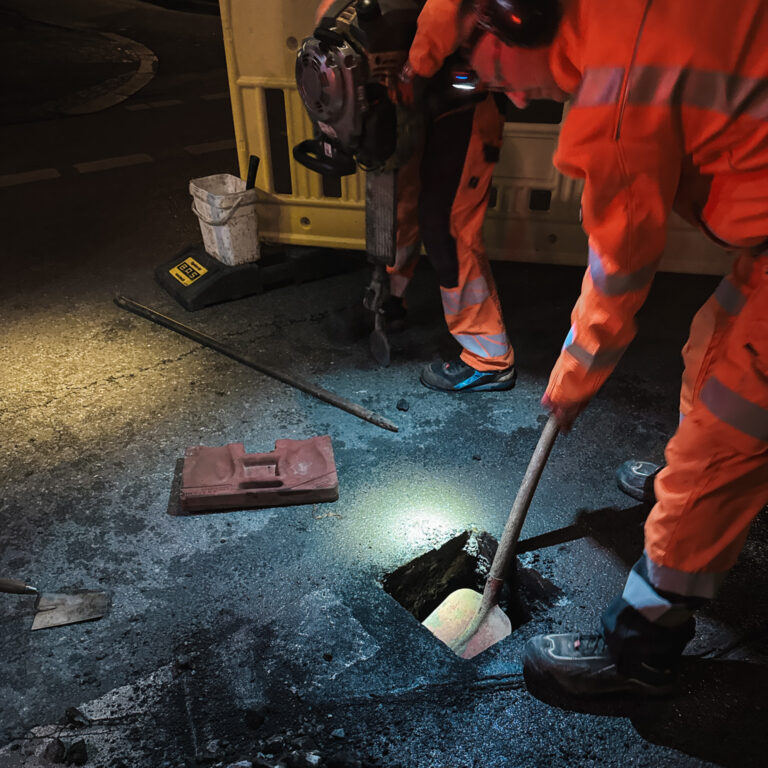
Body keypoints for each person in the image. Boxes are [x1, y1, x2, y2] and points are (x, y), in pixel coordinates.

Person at [462, 0, 768, 695]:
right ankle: (681, 500)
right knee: (711, 344)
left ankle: (642, 651)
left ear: (518, 20)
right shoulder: (614, 16)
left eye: (501, 74)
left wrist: (573, 376)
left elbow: (621, 265)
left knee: (726, 433)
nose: (511, 97)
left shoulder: (615, 85)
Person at [317, 0, 517, 391]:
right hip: (409, 87)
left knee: (446, 224)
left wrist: (417, 67)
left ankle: (488, 355)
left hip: (462, 94)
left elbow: (446, 11)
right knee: (398, 206)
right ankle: (388, 301)